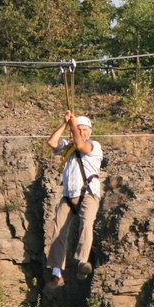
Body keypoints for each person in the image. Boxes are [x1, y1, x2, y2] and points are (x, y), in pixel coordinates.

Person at [45, 109, 103, 285]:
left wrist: (74, 124)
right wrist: (65, 122)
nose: (82, 132)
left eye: (85, 129)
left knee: (86, 224)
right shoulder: (67, 147)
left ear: (90, 132)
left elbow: (80, 145)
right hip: (69, 197)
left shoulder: (94, 146)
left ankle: (81, 261)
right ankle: (56, 271)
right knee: (57, 231)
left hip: (89, 194)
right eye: (79, 129)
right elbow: (51, 142)